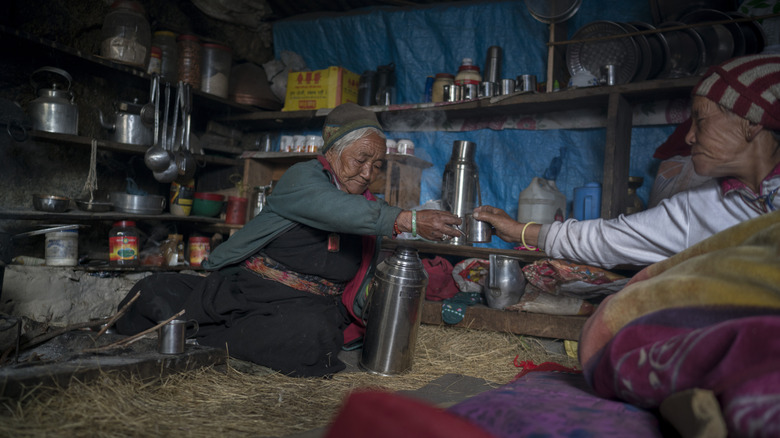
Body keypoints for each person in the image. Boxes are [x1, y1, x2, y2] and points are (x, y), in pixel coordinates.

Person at [115, 103, 462, 377]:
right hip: (250, 290)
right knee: (152, 290)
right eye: (362, 160)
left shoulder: (368, 206)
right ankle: (212, 330)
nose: (369, 173)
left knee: (313, 341)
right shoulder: (303, 178)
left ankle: (206, 337)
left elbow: (364, 242)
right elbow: (333, 209)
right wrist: (407, 219)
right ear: (334, 153)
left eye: (378, 164)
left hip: (307, 309)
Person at [474, 54, 780, 269]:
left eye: (700, 121)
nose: (688, 138)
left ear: (752, 122)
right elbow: (608, 238)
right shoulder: (700, 208)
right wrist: (517, 231)